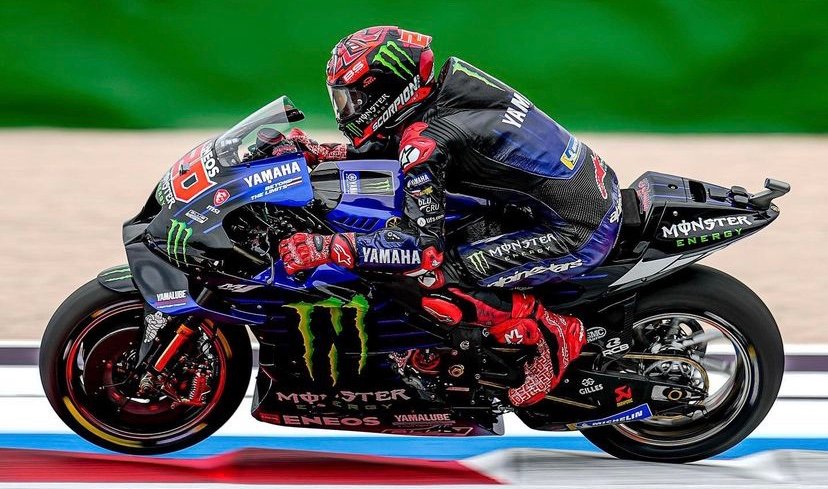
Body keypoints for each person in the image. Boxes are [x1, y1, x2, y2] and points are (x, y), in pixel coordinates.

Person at [277, 26, 622, 407]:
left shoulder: (427, 141)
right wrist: (327, 152)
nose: (348, 110)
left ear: (386, 92)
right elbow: (415, 140)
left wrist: (331, 246)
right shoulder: (450, 85)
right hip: (569, 195)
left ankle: (552, 334)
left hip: (577, 228)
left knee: (432, 277)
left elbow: (421, 249)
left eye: (354, 98)